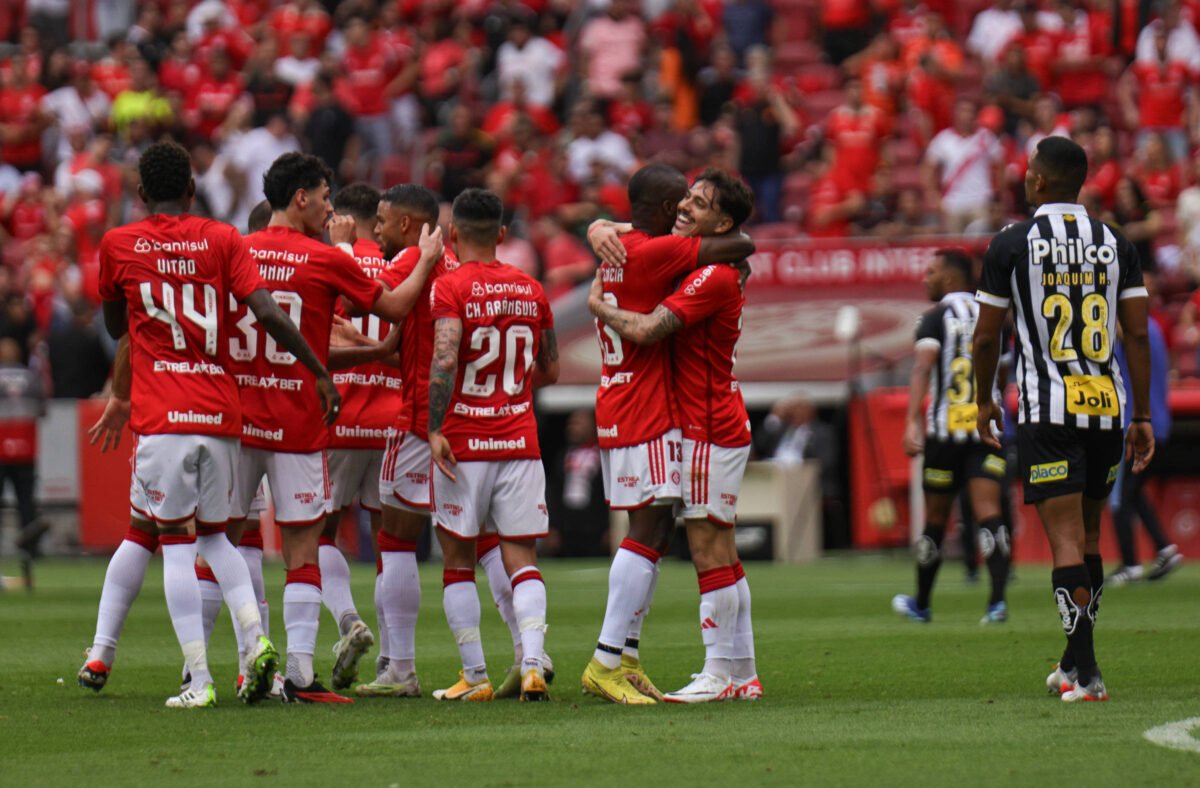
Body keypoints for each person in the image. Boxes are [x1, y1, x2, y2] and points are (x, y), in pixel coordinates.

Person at [80, 141, 336, 708]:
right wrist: (317, 368)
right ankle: (256, 640)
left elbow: (117, 320)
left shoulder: (119, 243)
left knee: (170, 542)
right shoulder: (223, 238)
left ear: (141, 193)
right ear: (193, 189)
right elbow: (267, 312)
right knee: (220, 537)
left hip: (163, 414)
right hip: (221, 413)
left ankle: (198, 679)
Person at [223, 152, 442, 704]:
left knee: (224, 543)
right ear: (301, 197)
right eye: (323, 196)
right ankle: (299, 676)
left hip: (242, 418)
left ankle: (218, 668)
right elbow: (392, 305)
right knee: (304, 547)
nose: (328, 206)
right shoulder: (325, 259)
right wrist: (428, 258)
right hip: (306, 421)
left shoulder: (233, 252)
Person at [973, 136, 1154, 703]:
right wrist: (1142, 413)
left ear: (1040, 182)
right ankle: (1073, 666)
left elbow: (985, 336)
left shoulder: (1011, 244)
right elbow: (1138, 332)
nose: (1025, 177)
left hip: (1047, 406)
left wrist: (981, 401)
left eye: (1029, 171)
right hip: (1105, 403)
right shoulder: (1115, 241)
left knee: (1065, 541)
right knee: (1091, 536)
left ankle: (1090, 672)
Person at [580, 163, 754, 705]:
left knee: (705, 543)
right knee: (695, 540)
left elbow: (654, 329)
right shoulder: (665, 255)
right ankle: (723, 670)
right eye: (682, 200)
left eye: (697, 203)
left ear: (720, 222)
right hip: (669, 414)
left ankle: (722, 672)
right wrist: (598, 229)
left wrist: (599, 305)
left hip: (697, 421)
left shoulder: (706, 271)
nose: (685, 207)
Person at [426, 188, 559, 702]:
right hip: (519, 440)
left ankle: (475, 675)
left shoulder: (450, 287)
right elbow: (549, 368)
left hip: (463, 442)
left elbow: (444, 359)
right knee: (521, 556)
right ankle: (531, 662)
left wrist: (436, 428)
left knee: (458, 560)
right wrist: (512, 395)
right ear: (502, 235)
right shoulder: (532, 288)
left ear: (454, 235)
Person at [894, 249, 1012, 625]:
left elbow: (922, 368)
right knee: (989, 513)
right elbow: (1003, 372)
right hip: (985, 429)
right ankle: (996, 603)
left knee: (935, 519)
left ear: (948, 278)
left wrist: (912, 420)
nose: (925, 278)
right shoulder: (995, 317)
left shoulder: (932, 319)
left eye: (930, 272)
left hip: (945, 433)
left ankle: (923, 603)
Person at [1108, 318, 1182, 585]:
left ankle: (1130, 564)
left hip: (1135, 425)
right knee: (1133, 491)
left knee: (1120, 496)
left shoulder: (1131, 328)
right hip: (1158, 422)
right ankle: (1165, 550)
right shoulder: (1153, 327)